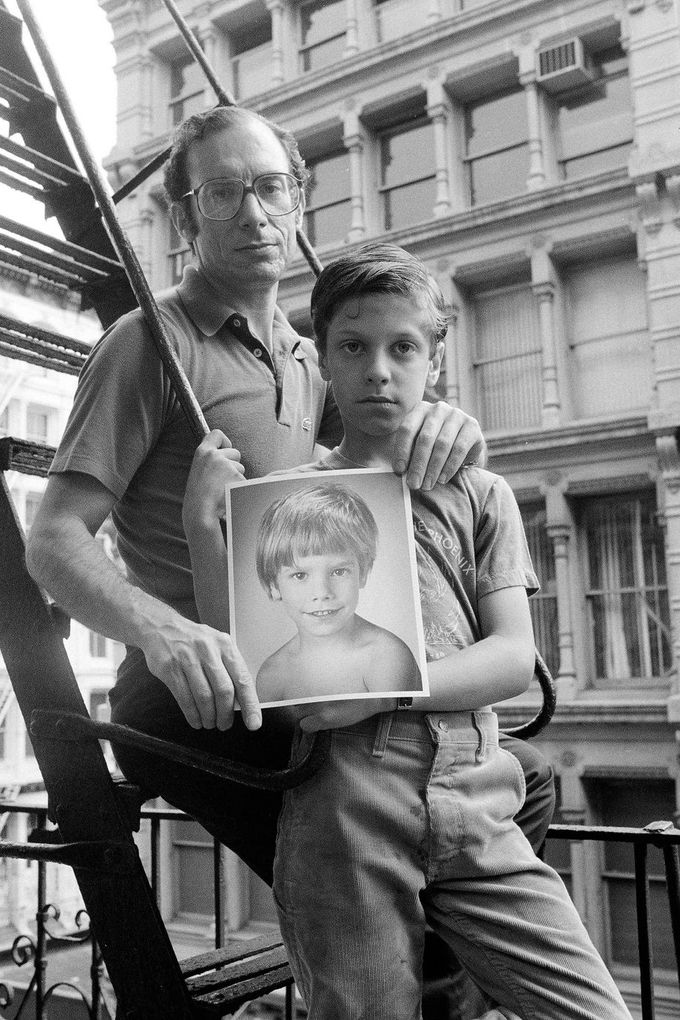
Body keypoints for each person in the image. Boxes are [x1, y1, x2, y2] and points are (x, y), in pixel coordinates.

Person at [24, 104, 494, 888]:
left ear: (298, 200)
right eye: (223, 193)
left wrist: (449, 425)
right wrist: (166, 634)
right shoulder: (149, 343)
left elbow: (390, 430)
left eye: (271, 188)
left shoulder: (310, 357)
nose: (254, 213)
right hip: (193, 689)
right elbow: (54, 538)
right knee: (394, 869)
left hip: (297, 664)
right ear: (187, 219)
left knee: (513, 788)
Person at [185, 242, 633, 1020]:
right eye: (353, 348)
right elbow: (247, 667)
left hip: (476, 794)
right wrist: (201, 526)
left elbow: (511, 658)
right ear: (323, 358)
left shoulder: (480, 491)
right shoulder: (289, 497)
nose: (378, 370)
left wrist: (383, 693)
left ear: (434, 359)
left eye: (403, 348)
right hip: (344, 808)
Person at [254, 482, 421, 703]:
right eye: (300, 575)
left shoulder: (387, 657)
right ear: (273, 586)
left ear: (363, 573)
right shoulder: (271, 676)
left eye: (339, 571)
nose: (322, 593)